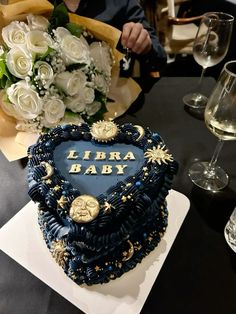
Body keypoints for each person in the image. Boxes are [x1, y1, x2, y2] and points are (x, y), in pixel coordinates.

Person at [50, 0, 167, 92]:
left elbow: (158, 58)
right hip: (47, 106)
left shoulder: (121, 2)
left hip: (113, 102)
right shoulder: (37, 3)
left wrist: (145, 45)